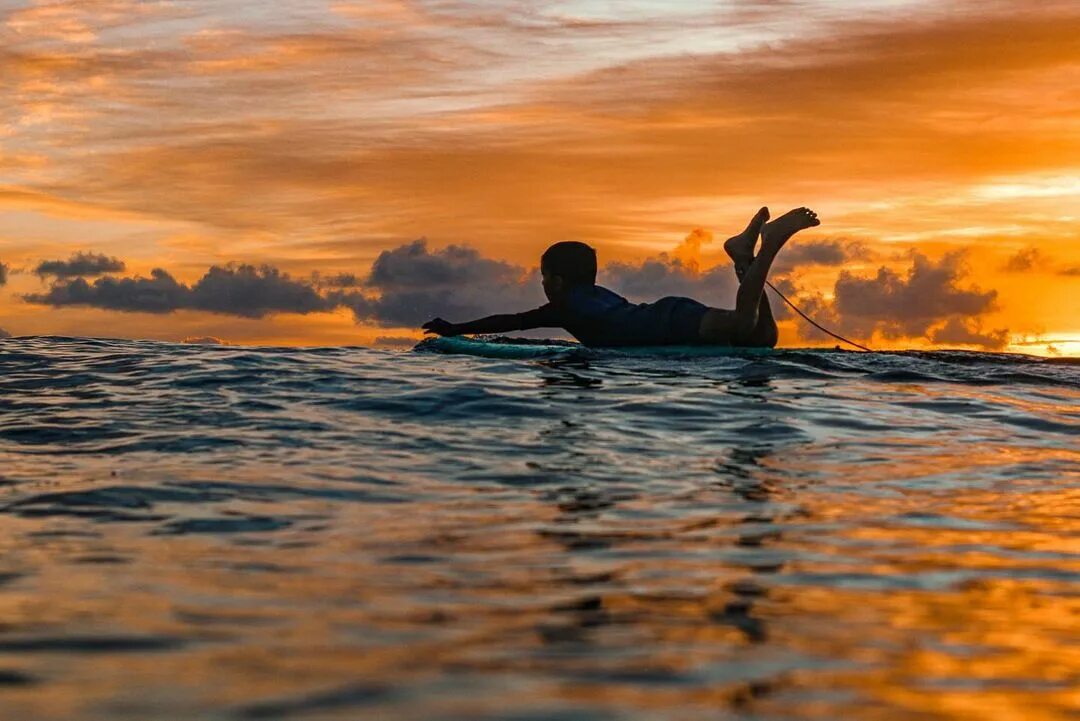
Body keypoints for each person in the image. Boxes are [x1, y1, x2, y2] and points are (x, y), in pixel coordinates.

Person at [421, 207, 819, 348]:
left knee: (744, 323)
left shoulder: (568, 308)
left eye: (544, 277)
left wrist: (455, 328)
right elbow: (516, 322)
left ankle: (769, 247)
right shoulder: (591, 296)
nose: (542, 285)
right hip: (668, 316)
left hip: (668, 323)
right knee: (762, 338)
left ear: (557, 282)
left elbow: (513, 321)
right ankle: (742, 256)